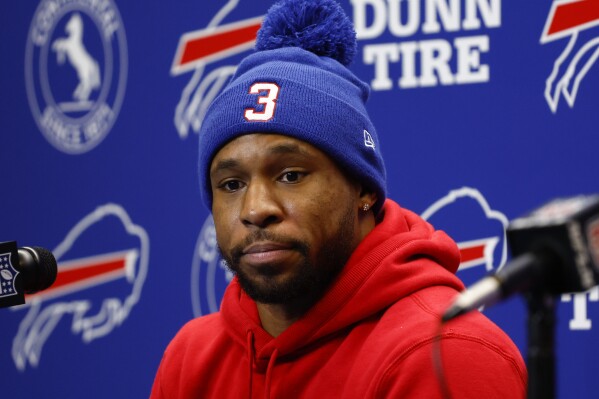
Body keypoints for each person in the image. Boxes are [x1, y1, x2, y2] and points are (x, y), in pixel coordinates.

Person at [150, 0, 527, 397]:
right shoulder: (192, 358)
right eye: (231, 184)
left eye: (290, 175)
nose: (256, 209)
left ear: (363, 189)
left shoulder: (447, 355)